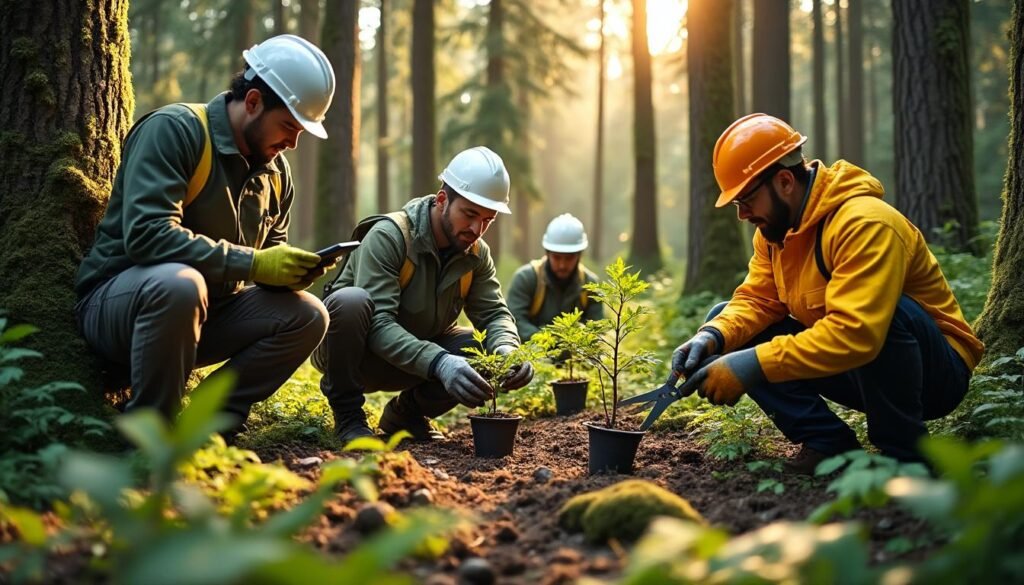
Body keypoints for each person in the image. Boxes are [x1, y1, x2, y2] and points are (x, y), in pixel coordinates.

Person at [670, 113, 984, 473]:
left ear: (785, 181)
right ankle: (829, 445)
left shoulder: (865, 223)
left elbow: (858, 333)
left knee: (889, 313)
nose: (742, 214)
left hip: (934, 374)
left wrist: (753, 364)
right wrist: (712, 337)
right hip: (857, 365)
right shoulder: (775, 233)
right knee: (723, 322)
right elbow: (757, 300)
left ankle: (904, 457)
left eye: (746, 200)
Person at [75, 35, 337, 432]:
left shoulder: (277, 174)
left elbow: (268, 258)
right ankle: (151, 433)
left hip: (206, 316)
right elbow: (147, 234)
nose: (293, 143)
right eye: (288, 125)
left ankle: (208, 421)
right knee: (181, 285)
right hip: (120, 308)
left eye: (302, 131)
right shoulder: (175, 130)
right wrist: (255, 263)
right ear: (252, 102)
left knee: (308, 315)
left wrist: (290, 274)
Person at [314, 146, 535, 443]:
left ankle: (406, 415)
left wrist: (508, 349)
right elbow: (378, 323)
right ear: (442, 200)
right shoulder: (390, 236)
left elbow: (494, 313)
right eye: (469, 214)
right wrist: (441, 362)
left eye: (487, 219)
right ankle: (348, 416)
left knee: (478, 348)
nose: (476, 229)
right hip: (355, 356)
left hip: (416, 359)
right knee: (350, 302)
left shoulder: (476, 254)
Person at [506, 213, 603, 341]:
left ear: (579, 255)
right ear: (547, 253)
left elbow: (597, 330)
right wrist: (548, 341)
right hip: (532, 354)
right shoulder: (526, 278)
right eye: (557, 257)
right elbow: (514, 320)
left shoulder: (591, 286)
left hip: (576, 357)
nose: (562, 265)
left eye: (569, 258)